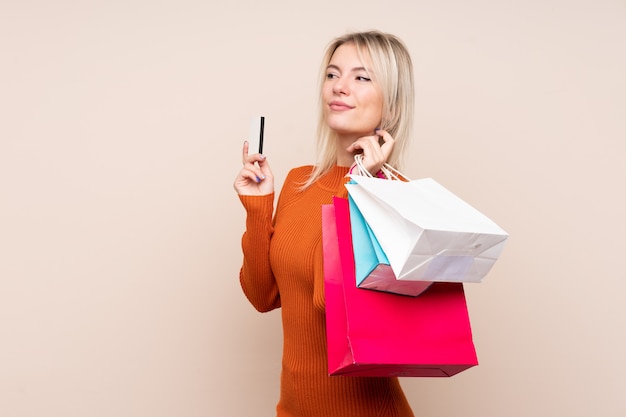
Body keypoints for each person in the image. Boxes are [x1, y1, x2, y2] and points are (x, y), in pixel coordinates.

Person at [233, 30, 415, 417]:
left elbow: (327, 300)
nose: (340, 86)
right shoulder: (299, 182)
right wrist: (258, 207)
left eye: (361, 77)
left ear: (391, 104)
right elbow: (262, 296)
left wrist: (361, 185)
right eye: (333, 74)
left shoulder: (396, 196)